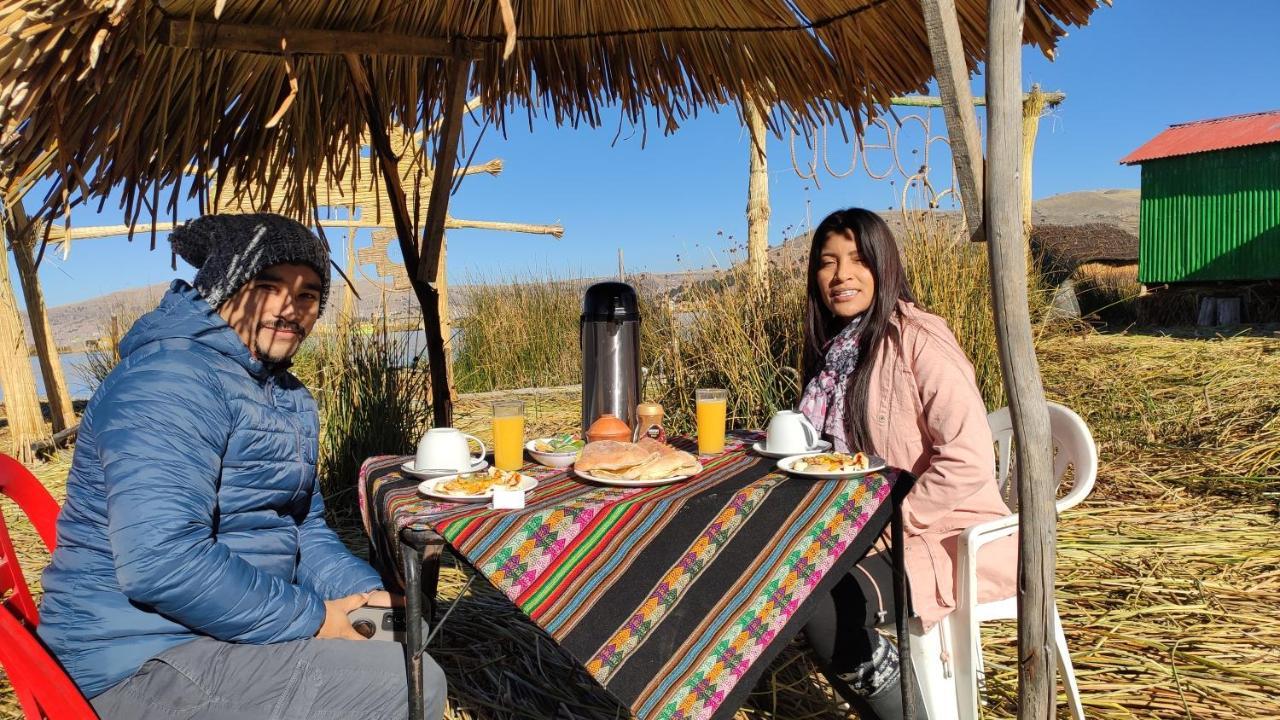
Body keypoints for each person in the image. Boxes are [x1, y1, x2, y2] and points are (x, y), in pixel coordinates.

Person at [38, 213, 447, 719]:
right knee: (412, 683)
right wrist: (314, 618)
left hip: (214, 628)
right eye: (268, 286)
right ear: (222, 289)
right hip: (137, 658)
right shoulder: (170, 382)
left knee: (405, 634)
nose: (289, 308)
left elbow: (303, 527)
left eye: (307, 294)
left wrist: (355, 593)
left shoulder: (285, 395)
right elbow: (160, 562)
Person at [797, 208, 1017, 719]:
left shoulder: (919, 338)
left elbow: (968, 457)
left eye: (857, 260)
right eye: (827, 263)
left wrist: (893, 522)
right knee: (775, 569)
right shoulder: (839, 350)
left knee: (821, 604)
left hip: (941, 535)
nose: (841, 275)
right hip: (869, 525)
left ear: (884, 265)